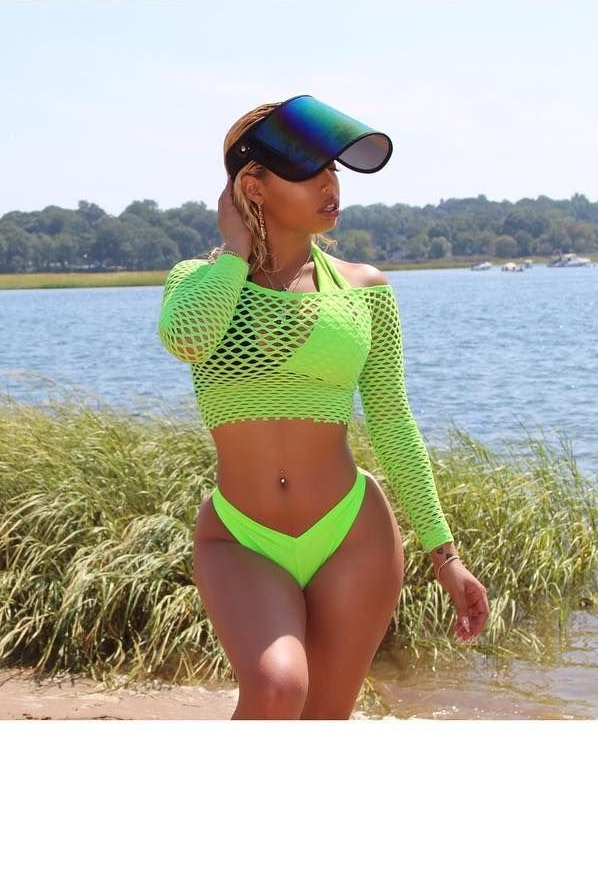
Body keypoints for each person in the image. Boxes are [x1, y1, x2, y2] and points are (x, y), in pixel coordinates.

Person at [157, 95, 490, 720]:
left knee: (323, 722)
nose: (330, 185)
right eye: (310, 172)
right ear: (253, 185)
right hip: (241, 535)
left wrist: (446, 557)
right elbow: (188, 339)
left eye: (333, 170)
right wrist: (235, 250)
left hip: (351, 533)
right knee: (277, 688)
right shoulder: (196, 282)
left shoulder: (365, 288)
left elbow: (392, 420)